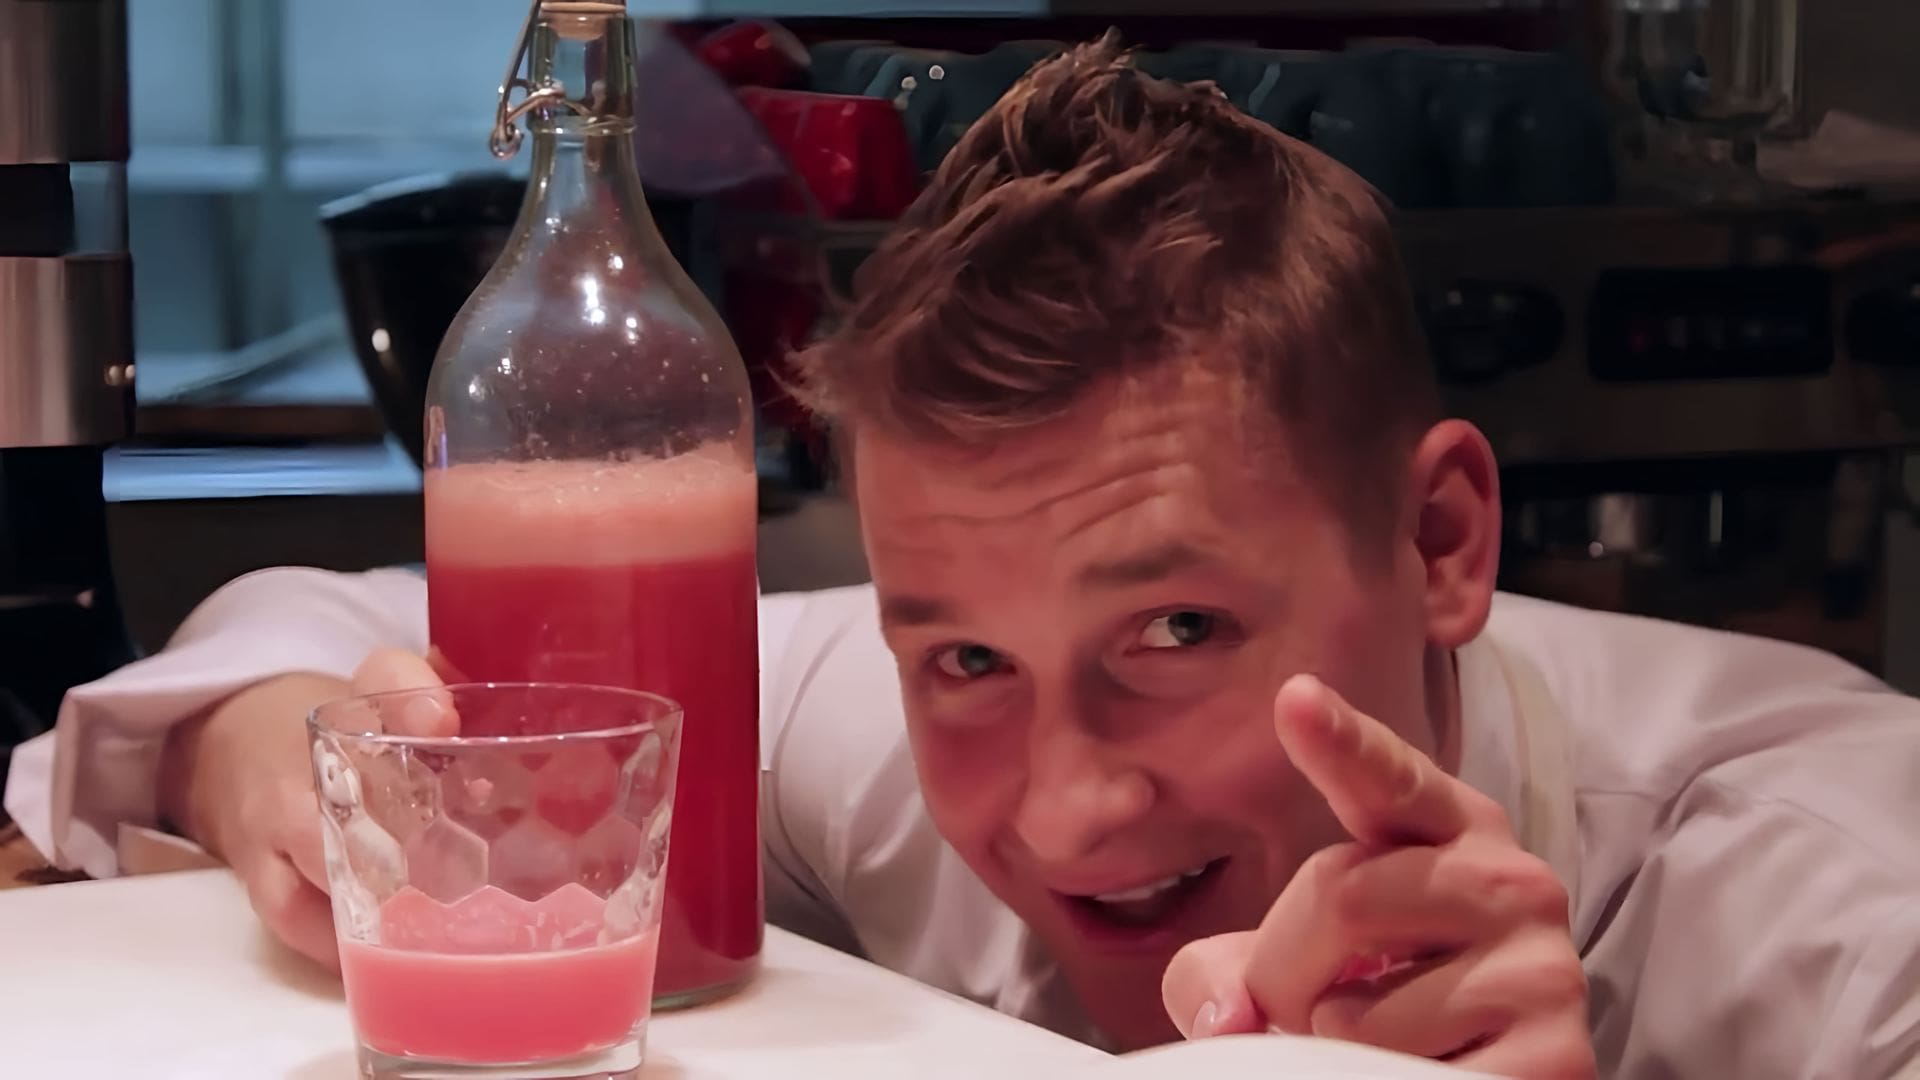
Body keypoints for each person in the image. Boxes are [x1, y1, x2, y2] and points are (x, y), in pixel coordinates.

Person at [8, 37, 1920, 1079]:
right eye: (968, 661)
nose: (1070, 810)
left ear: (1439, 541)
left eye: (1179, 629)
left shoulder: (1822, 897)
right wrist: (272, 761)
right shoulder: (878, 744)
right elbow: (316, 629)